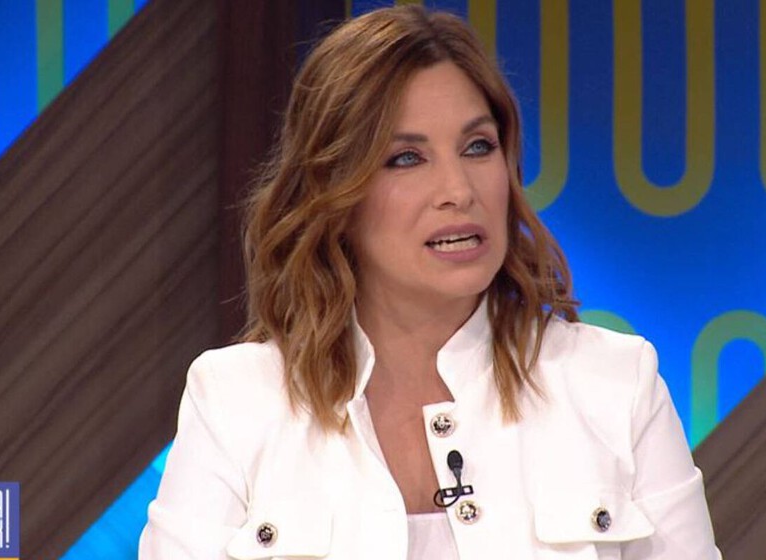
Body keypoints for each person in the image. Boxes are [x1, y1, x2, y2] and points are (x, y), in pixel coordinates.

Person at [139, 5, 721, 559]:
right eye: (406, 158)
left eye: (477, 147)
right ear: (336, 192)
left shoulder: (615, 386)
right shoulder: (237, 402)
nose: (459, 191)